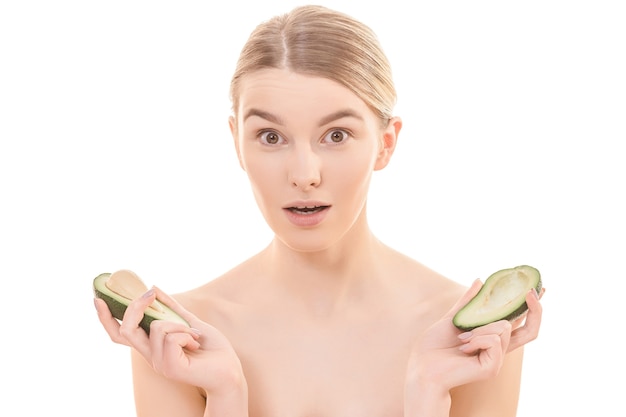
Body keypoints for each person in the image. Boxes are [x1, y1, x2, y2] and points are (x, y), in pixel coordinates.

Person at [94, 5, 544, 417]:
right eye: (271, 137)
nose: (304, 174)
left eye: (336, 135)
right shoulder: (178, 340)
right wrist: (227, 394)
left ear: (386, 143)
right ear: (237, 142)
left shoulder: (473, 335)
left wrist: (426, 394)